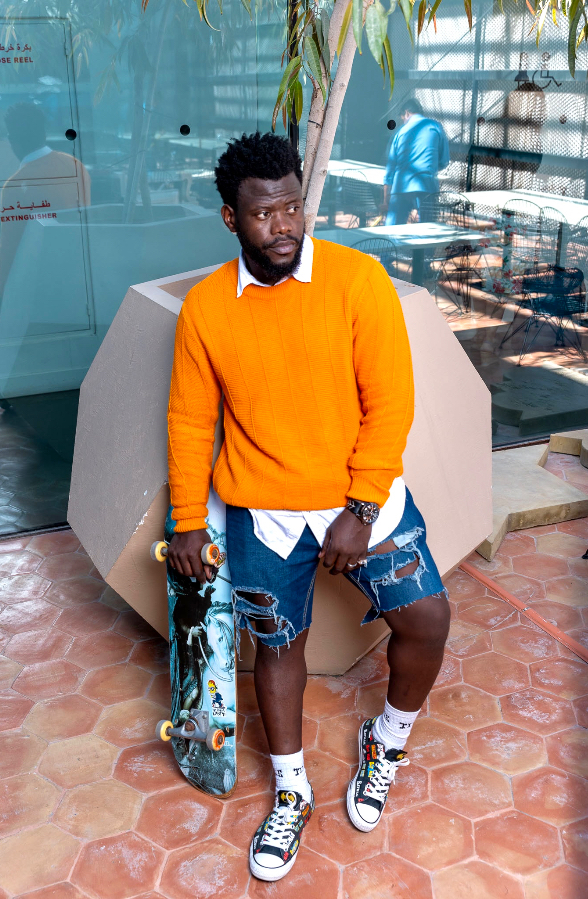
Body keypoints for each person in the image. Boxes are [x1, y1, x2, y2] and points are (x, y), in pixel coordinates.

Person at [166, 131, 450, 882]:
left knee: (427, 618)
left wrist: (361, 507)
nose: (283, 225)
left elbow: (390, 404)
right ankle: (292, 790)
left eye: (293, 207)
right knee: (278, 646)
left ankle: (387, 741)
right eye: (264, 214)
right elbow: (190, 420)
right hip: (262, 509)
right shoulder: (206, 308)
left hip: (358, 497)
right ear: (231, 218)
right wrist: (187, 519)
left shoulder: (358, 281)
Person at [0, 101, 90, 317]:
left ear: (11, 139)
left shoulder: (15, 186)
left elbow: (9, 246)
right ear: (44, 134)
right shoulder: (75, 166)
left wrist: (2, 294)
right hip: (80, 281)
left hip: (38, 289)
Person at [383, 98, 449, 225]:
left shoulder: (399, 133)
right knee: (427, 226)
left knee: (392, 228)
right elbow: (444, 161)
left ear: (407, 113)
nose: (403, 122)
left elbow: (390, 168)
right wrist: (430, 167)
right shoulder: (435, 127)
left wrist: (386, 198)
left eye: (403, 118)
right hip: (426, 185)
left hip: (401, 185)